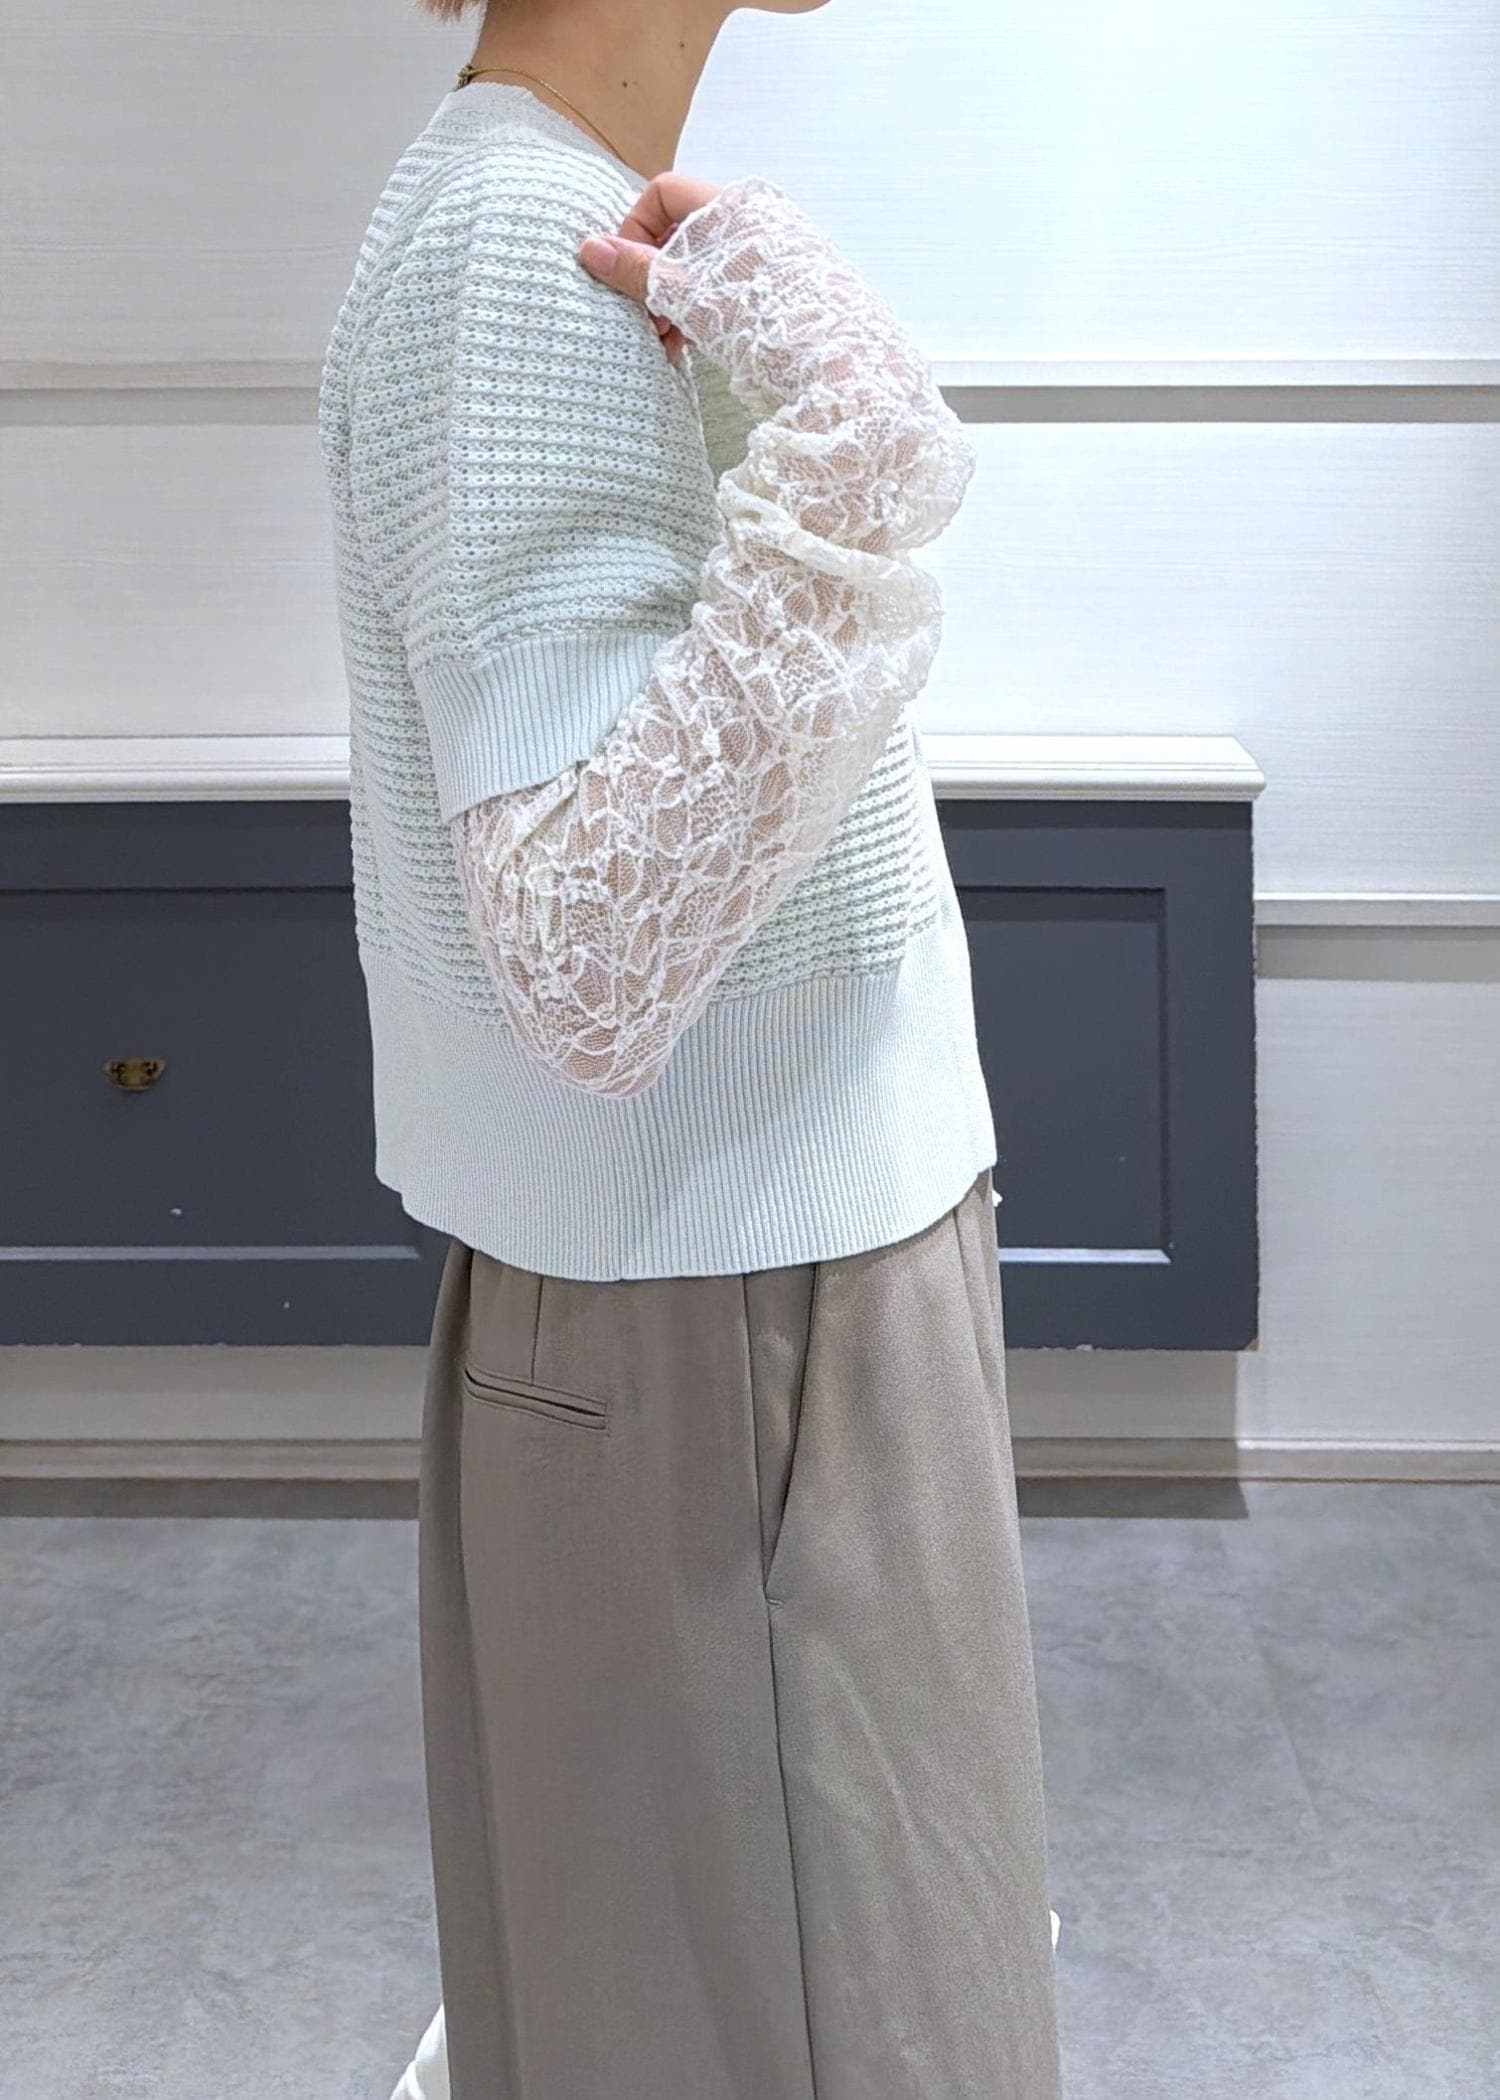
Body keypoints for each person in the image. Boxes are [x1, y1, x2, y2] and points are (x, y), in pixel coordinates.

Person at [317, 1, 1063, 2092]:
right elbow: (585, 944)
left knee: (713, 2000)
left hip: (736, 1291)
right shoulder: (521, 244)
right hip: (738, 1306)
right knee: (840, 2026)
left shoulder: (513, 198)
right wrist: (854, 463)